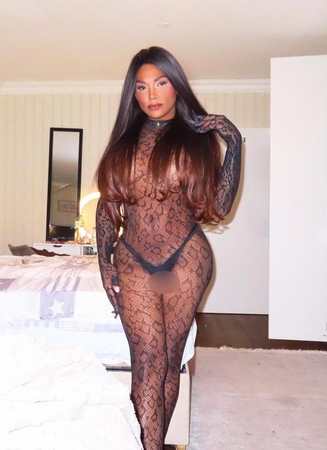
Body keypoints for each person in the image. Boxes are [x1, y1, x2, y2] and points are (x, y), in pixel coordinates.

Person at [95, 46, 242, 450]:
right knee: (147, 361)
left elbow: (221, 206)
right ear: (133, 93)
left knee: (169, 361)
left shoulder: (197, 142)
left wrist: (233, 140)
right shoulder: (123, 143)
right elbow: (107, 208)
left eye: (161, 82)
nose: (152, 94)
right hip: (134, 260)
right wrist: (104, 264)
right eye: (141, 87)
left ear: (176, 85)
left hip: (186, 260)